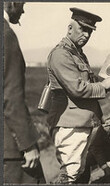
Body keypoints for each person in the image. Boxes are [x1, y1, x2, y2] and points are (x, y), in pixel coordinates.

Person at [46, 7, 110, 184]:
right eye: (82, 29)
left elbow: (85, 87)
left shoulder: (77, 54)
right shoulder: (61, 54)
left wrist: (103, 89)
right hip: (69, 124)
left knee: (79, 172)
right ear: (70, 28)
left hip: (80, 123)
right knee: (70, 174)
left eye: (89, 31)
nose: (86, 35)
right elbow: (77, 88)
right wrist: (103, 86)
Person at [3, 2, 45, 184]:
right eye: (22, 3)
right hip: (9, 150)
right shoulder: (6, 36)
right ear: (11, 3)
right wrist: (28, 145)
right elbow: (11, 98)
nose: (23, 9)